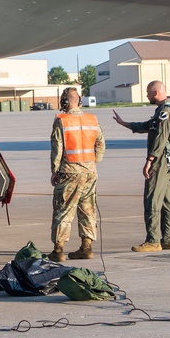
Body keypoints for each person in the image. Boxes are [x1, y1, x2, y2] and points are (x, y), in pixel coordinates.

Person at [112, 80, 170, 252]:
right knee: (166, 200)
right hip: (168, 159)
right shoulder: (166, 110)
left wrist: (150, 160)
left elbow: (160, 138)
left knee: (152, 199)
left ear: (156, 92)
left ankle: (153, 240)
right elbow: (148, 126)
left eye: (148, 93)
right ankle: (169, 239)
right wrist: (125, 123)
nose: (147, 96)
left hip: (160, 160)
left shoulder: (165, 112)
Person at [48, 87, 105, 262]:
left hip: (70, 172)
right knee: (87, 210)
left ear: (65, 102)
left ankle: (58, 251)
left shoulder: (62, 120)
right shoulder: (92, 119)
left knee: (63, 210)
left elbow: (57, 148)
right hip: (90, 172)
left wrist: (54, 170)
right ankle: (86, 248)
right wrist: (92, 162)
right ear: (79, 101)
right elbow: (100, 144)